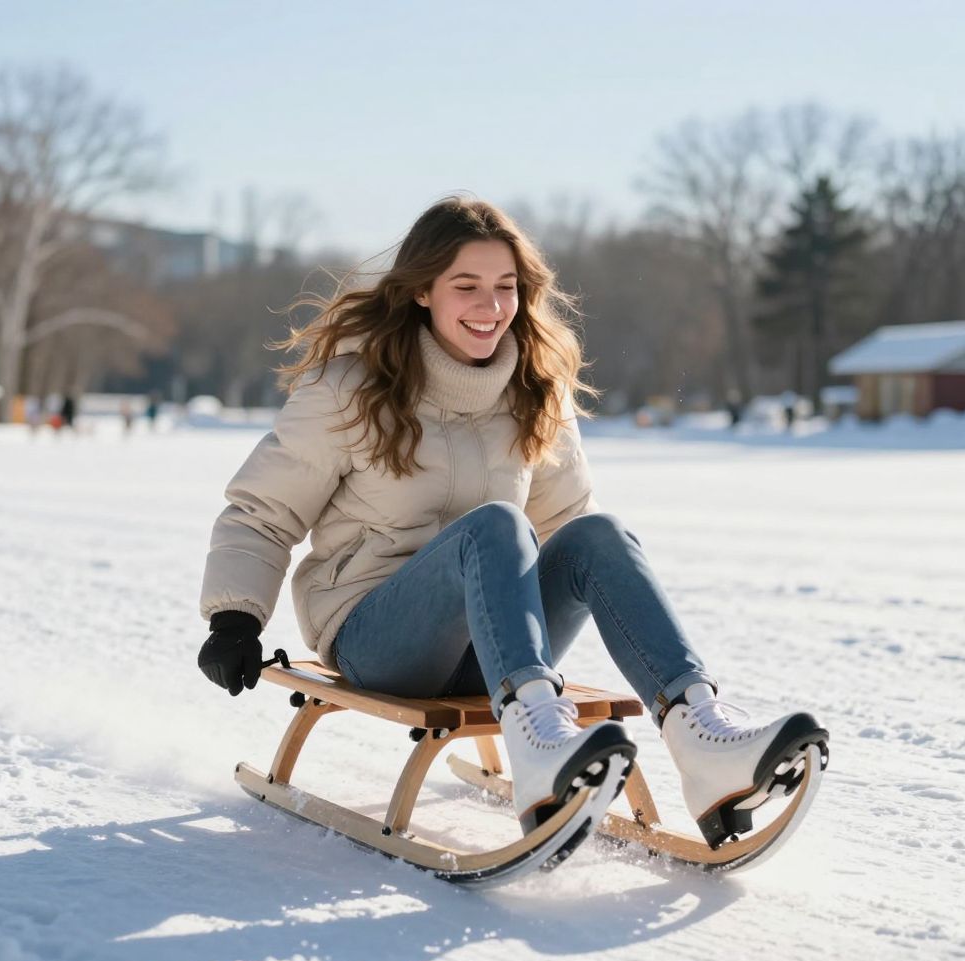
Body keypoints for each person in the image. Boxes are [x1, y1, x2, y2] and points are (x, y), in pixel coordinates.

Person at [197, 197, 828, 850]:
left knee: (599, 535)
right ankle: (538, 749)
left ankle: (701, 735)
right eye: (466, 286)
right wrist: (235, 618)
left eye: (506, 286)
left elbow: (566, 527)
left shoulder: (534, 388)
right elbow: (263, 510)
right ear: (421, 291)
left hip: (492, 649)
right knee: (497, 525)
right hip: (376, 637)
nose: (491, 306)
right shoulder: (351, 388)